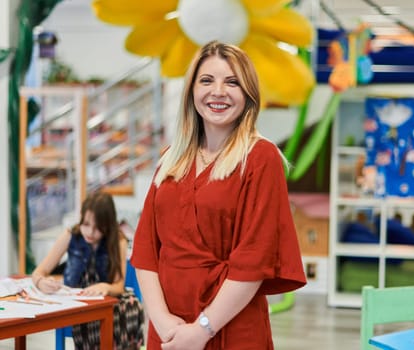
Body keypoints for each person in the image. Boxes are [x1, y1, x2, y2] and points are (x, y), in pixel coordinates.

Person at [130, 40, 307, 350]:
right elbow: (146, 248)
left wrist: (202, 329)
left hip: (228, 325)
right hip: (169, 329)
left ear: (248, 95)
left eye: (232, 82)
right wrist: (160, 319)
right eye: (207, 80)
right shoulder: (170, 159)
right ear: (191, 91)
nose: (218, 92)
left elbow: (255, 258)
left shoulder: (260, 157)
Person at [32, 191, 144, 349]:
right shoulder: (70, 236)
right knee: (89, 317)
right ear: (81, 219)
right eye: (85, 224)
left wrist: (106, 287)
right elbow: (39, 272)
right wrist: (41, 282)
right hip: (76, 301)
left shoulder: (117, 241)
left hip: (108, 299)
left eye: (98, 228)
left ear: (108, 225)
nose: (90, 232)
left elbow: (119, 286)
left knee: (129, 307)